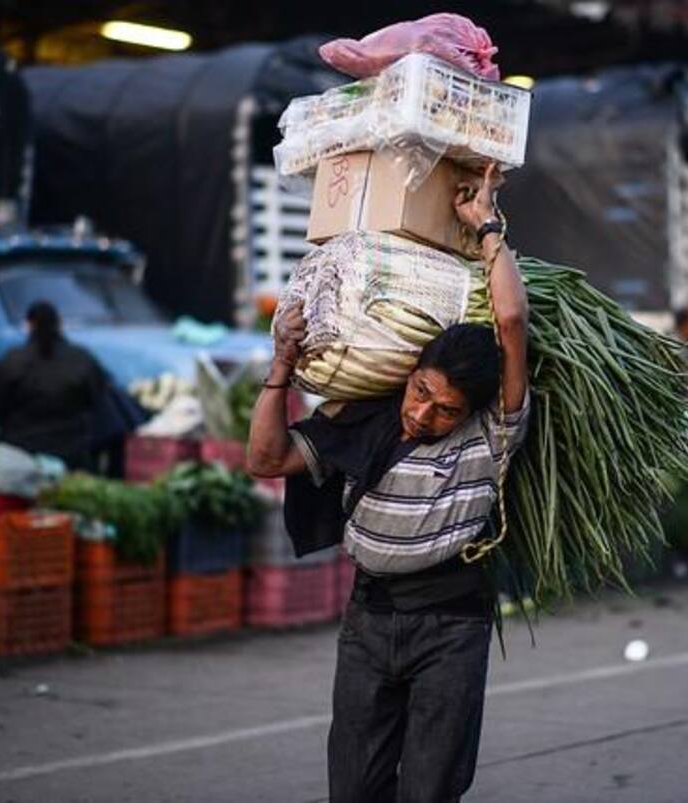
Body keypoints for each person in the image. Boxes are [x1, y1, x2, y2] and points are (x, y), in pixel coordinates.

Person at [247, 162, 530, 803]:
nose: (424, 413)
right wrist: (283, 368)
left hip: (451, 625)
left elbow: (511, 324)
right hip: (369, 621)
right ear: (411, 372)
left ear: (473, 412)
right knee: (353, 789)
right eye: (422, 392)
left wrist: (486, 226)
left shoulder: (495, 433)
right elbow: (266, 461)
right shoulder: (368, 419)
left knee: (428, 793)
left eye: (445, 409)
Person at [0, 301, 106, 471]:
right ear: (59, 324)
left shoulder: (12, 361)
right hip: (73, 448)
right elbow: (98, 399)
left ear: (29, 325)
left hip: (22, 449)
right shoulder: (81, 359)